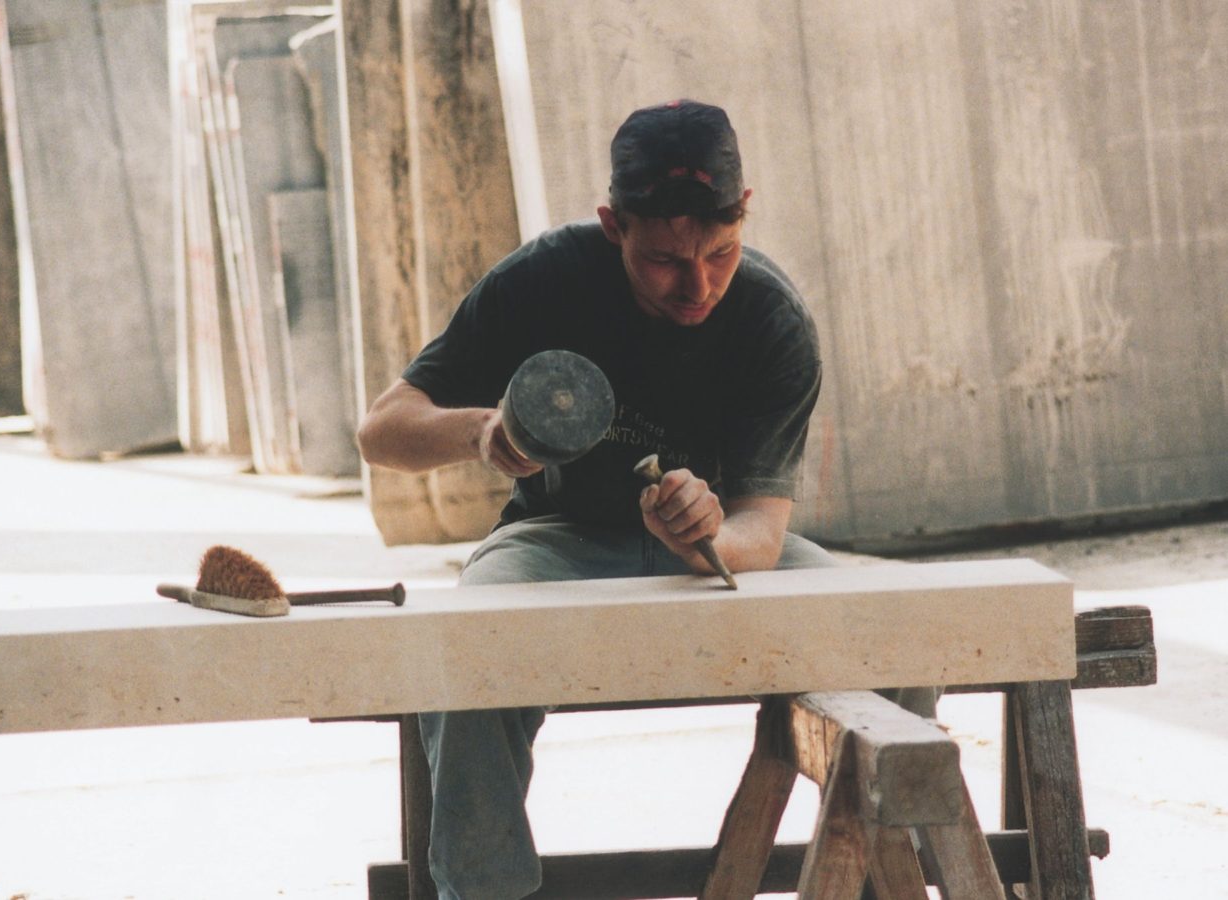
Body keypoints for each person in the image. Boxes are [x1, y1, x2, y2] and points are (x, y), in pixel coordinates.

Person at [358, 99, 904, 899]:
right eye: (663, 261)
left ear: (744, 212)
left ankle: (870, 879)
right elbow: (381, 432)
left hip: (726, 555)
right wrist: (480, 434)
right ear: (613, 225)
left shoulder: (771, 320)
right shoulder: (541, 278)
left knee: (890, 639)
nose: (698, 286)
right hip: (557, 538)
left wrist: (708, 537)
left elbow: (761, 528)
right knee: (463, 648)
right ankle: (483, 891)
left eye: (720, 253)